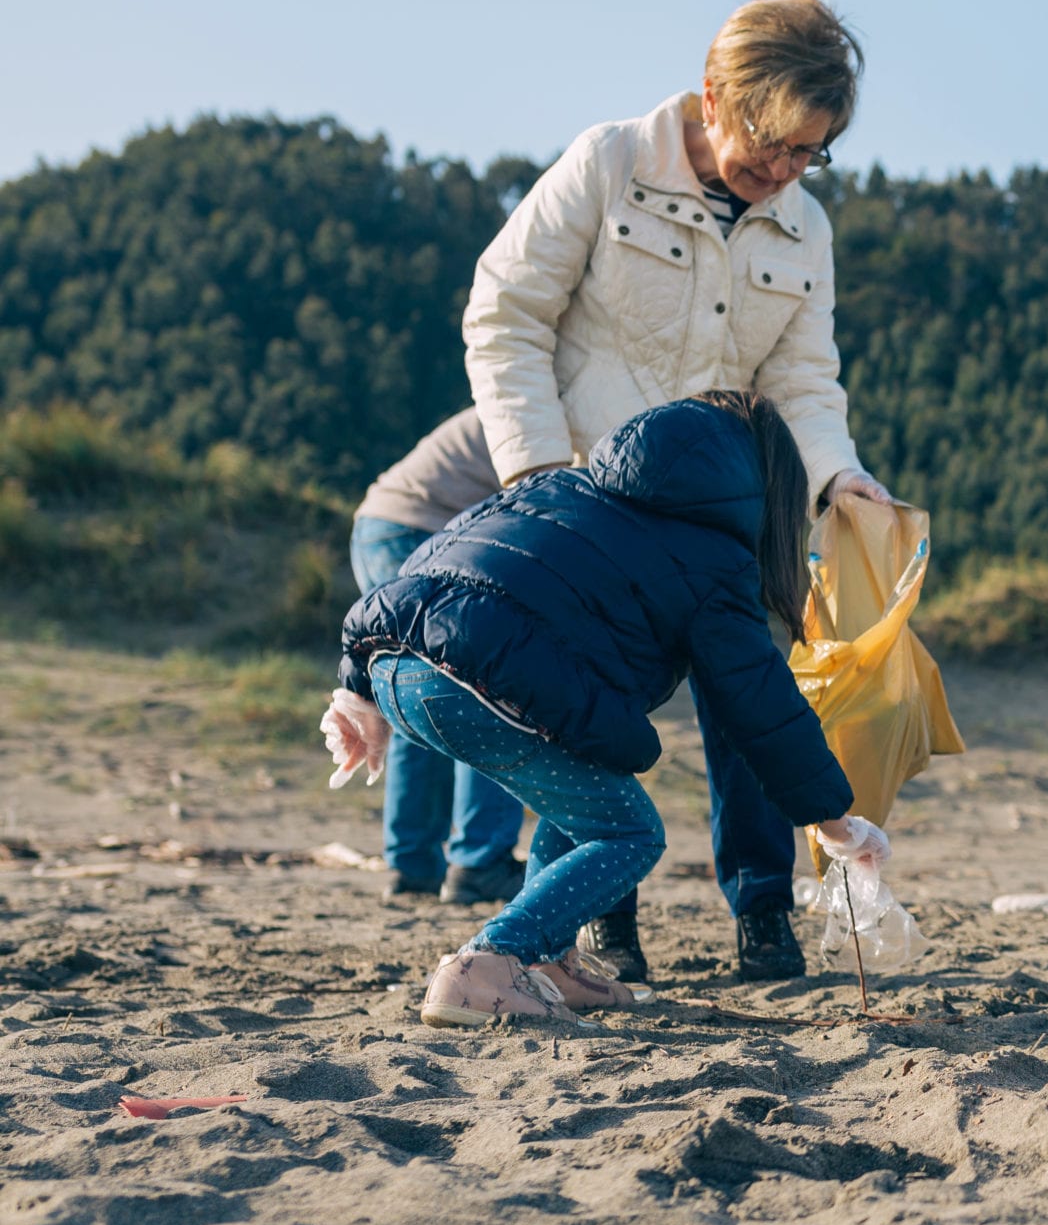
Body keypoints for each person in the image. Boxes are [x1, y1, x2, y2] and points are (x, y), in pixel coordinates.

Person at [460, 0, 891, 984]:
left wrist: (838, 474)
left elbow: (801, 382)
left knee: (756, 700)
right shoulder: (607, 162)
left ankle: (763, 914)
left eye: (809, 155)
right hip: (592, 513)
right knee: (592, 715)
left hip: (733, 515)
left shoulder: (804, 227)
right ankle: (608, 927)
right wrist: (536, 470)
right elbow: (505, 314)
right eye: (771, 144)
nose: (783, 172)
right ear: (714, 96)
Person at [325, 393, 884, 1028]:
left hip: (395, 659)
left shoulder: (563, 482)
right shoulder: (716, 559)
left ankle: (549, 961)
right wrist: (834, 821)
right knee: (629, 832)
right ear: (768, 488)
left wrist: (359, 689)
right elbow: (761, 706)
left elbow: (436, 556)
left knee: (588, 790)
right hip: (480, 676)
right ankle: (490, 959)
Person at [348, 412, 526, 906]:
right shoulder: (549, 403)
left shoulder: (529, 386)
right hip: (419, 527)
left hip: (388, 522)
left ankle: (414, 866)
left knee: (417, 695)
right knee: (486, 690)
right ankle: (479, 860)